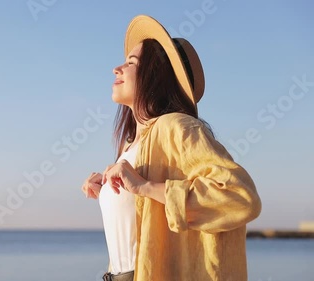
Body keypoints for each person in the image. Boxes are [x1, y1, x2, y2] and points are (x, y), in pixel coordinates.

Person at [81, 15, 262, 281]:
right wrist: (109, 187)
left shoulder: (177, 127)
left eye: (131, 62)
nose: (116, 68)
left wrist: (144, 187)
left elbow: (241, 197)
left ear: (156, 76)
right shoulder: (132, 146)